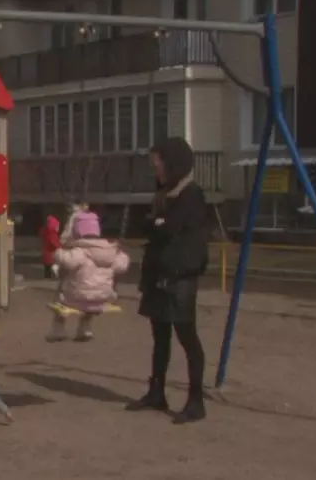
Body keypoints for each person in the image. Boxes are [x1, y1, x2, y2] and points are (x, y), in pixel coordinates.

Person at [127, 137, 209, 424]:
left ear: (173, 163)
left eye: (157, 164)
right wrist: (157, 225)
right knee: (159, 337)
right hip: (158, 274)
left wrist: (158, 225)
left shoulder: (191, 194)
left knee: (187, 337)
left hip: (179, 277)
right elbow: (148, 226)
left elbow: (171, 229)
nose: (155, 170)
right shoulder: (164, 194)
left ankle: (196, 401)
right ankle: (156, 392)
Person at [47, 211, 130, 342]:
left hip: (75, 296)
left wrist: (57, 252)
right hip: (102, 297)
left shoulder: (80, 251)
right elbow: (122, 266)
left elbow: (67, 261)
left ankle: (59, 329)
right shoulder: (110, 250)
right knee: (90, 302)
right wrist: (122, 252)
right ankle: (85, 327)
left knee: (59, 298)